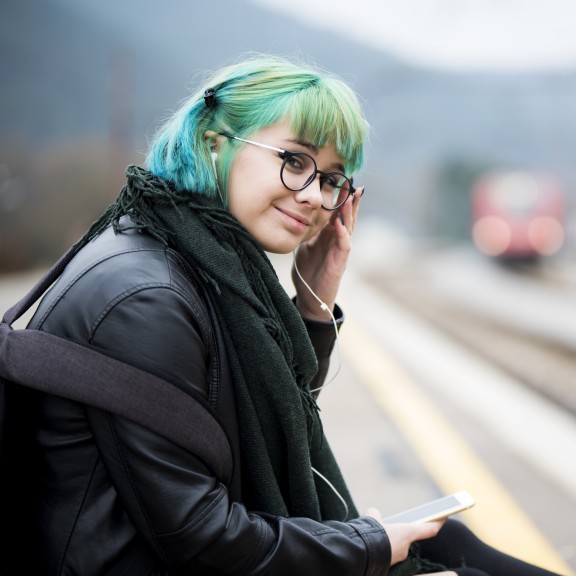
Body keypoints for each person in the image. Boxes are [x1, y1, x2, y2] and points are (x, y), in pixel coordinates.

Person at [0, 55, 565, 576]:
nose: (315, 197)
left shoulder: (192, 259)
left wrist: (315, 297)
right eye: (295, 161)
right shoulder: (145, 297)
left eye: (331, 178)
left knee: (447, 542)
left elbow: (251, 412)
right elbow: (201, 537)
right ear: (213, 142)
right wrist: (367, 545)